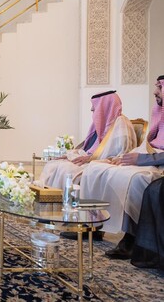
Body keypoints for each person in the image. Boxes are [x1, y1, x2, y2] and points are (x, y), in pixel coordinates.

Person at [87, 75, 164, 262]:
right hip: (150, 159)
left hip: (157, 164)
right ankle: (94, 224)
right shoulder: (159, 114)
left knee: (135, 179)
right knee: (97, 169)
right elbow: (151, 145)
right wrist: (121, 158)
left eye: (160, 87)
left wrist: (141, 159)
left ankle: (132, 237)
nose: (155, 91)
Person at [40, 90, 136, 190]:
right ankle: (47, 197)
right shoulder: (101, 125)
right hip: (91, 160)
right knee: (53, 164)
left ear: (105, 106)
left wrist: (90, 158)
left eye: (95, 108)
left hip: (101, 163)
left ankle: (64, 198)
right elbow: (89, 149)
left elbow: (119, 152)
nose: (91, 109)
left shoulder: (121, 123)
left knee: (65, 169)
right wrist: (70, 155)